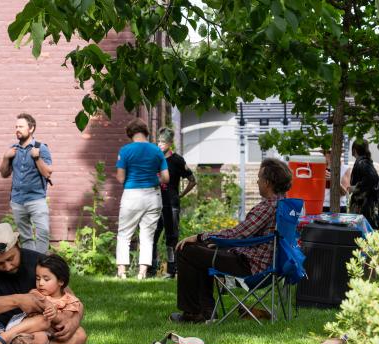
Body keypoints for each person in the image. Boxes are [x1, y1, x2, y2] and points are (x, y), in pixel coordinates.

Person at [170, 158, 292, 323]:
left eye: (259, 178)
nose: (257, 181)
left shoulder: (268, 207)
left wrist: (200, 236)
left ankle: (195, 314)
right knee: (201, 249)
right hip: (267, 263)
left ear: (268, 183)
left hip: (250, 265)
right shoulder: (284, 205)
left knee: (186, 250)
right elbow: (247, 235)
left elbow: (237, 234)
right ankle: (204, 313)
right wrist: (211, 241)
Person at [0, 254, 83, 344]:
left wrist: (56, 315)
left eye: (46, 279)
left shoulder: (70, 301)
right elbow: (38, 305)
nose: (40, 283)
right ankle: (3, 337)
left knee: (42, 339)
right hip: (24, 327)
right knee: (44, 320)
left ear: (61, 281)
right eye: (38, 278)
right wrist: (48, 308)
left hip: (45, 337)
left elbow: (64, 321)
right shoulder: (36, 294)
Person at [115, 118, 170, 279]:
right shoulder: (156, 151)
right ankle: (142, 273)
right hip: (153, 195)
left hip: (132, 195)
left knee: (124, 233)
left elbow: (120, 178)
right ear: (146, 132)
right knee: (147, 236)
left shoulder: (125, 150)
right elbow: (166, 178)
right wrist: (154, 180)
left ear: (130, 134)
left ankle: (122, 272)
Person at [0, 113, 53, 253]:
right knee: (26, 237)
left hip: (37, 200)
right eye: (16, 126)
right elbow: (4, 174)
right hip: (18, 201)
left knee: (43, 234)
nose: (17, 129)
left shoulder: (42, 148)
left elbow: (47, 173)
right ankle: (30, 265)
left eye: (21, 126)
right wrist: (6, 157)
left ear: (31, 128)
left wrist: (37, 158)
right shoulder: (13, 149)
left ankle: (40, 264)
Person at [151, 128, 196, 278]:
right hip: (155, 203)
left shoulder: (177, 160)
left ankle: (171, 270)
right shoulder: (155, 159)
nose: (160, 144)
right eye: (158, 141)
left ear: (170, 143)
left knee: (171, 237)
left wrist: (181, 194)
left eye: (163, 142)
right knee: (152, 235)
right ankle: (151, 268)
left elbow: (192, 180)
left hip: (171, 204)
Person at [347, 140, 379, 229]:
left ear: (354, 150)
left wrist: (355, 188)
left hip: (364, 207)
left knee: (360, 234)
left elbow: (371, 179)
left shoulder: (362, 163)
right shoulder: (366, 162)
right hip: (367, 208)